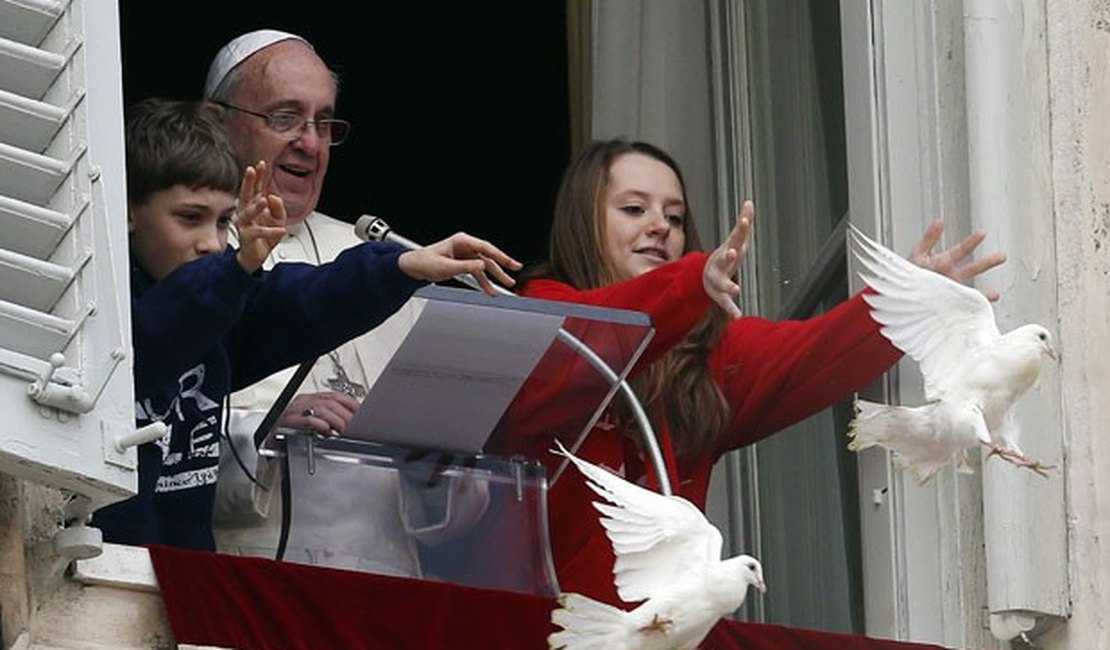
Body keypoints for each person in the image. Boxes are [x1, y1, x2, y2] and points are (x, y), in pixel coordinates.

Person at [514, 139, 1006, 606]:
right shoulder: (541, 314)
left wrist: (912, 303)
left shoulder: (705, 357)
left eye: (675, 216)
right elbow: (591, 335)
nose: (660, 226)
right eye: (634, 209)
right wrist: (690, 283)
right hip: (540, 627)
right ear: (583, 223)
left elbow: (816, 353)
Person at [89, 98, 518, 551]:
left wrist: (403, 267)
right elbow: (159, 333)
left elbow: (310, 299)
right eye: (190, 218)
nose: (210, 244)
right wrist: (235, 270)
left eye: (223, 222)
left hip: (182, 577)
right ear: (128, 210)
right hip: (101, 568)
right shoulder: (102, 313)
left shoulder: (226, 305)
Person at [202, 29, 487, 575]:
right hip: (247, 581)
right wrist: (265, 428)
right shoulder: (185, 251)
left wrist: (435, 477)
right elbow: (145, 448)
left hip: (386, 589)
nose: (309, 143)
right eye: (285, 118)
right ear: (217, 121)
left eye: (323, 122)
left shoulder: (379, 258)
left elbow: (456, 509)